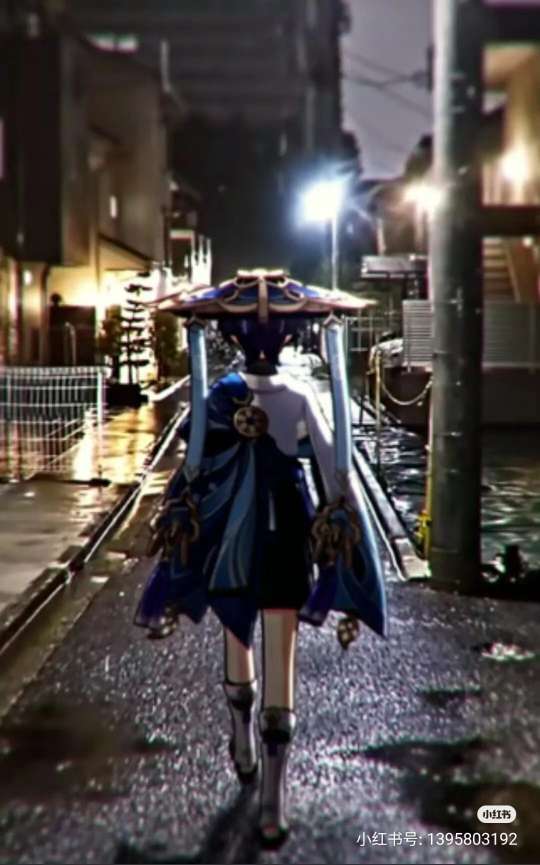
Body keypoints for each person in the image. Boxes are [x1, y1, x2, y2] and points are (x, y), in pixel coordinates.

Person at [135, 269, 388, 846]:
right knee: (278, 647)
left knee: (238, 635)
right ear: (291, 341)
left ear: (231, 338)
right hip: (287, 530)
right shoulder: (296, 397)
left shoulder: (217, 396)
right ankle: (272, 798)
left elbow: (193, 468)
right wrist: (348, 530)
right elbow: (336, 470)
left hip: (232, 534)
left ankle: (244, 741)